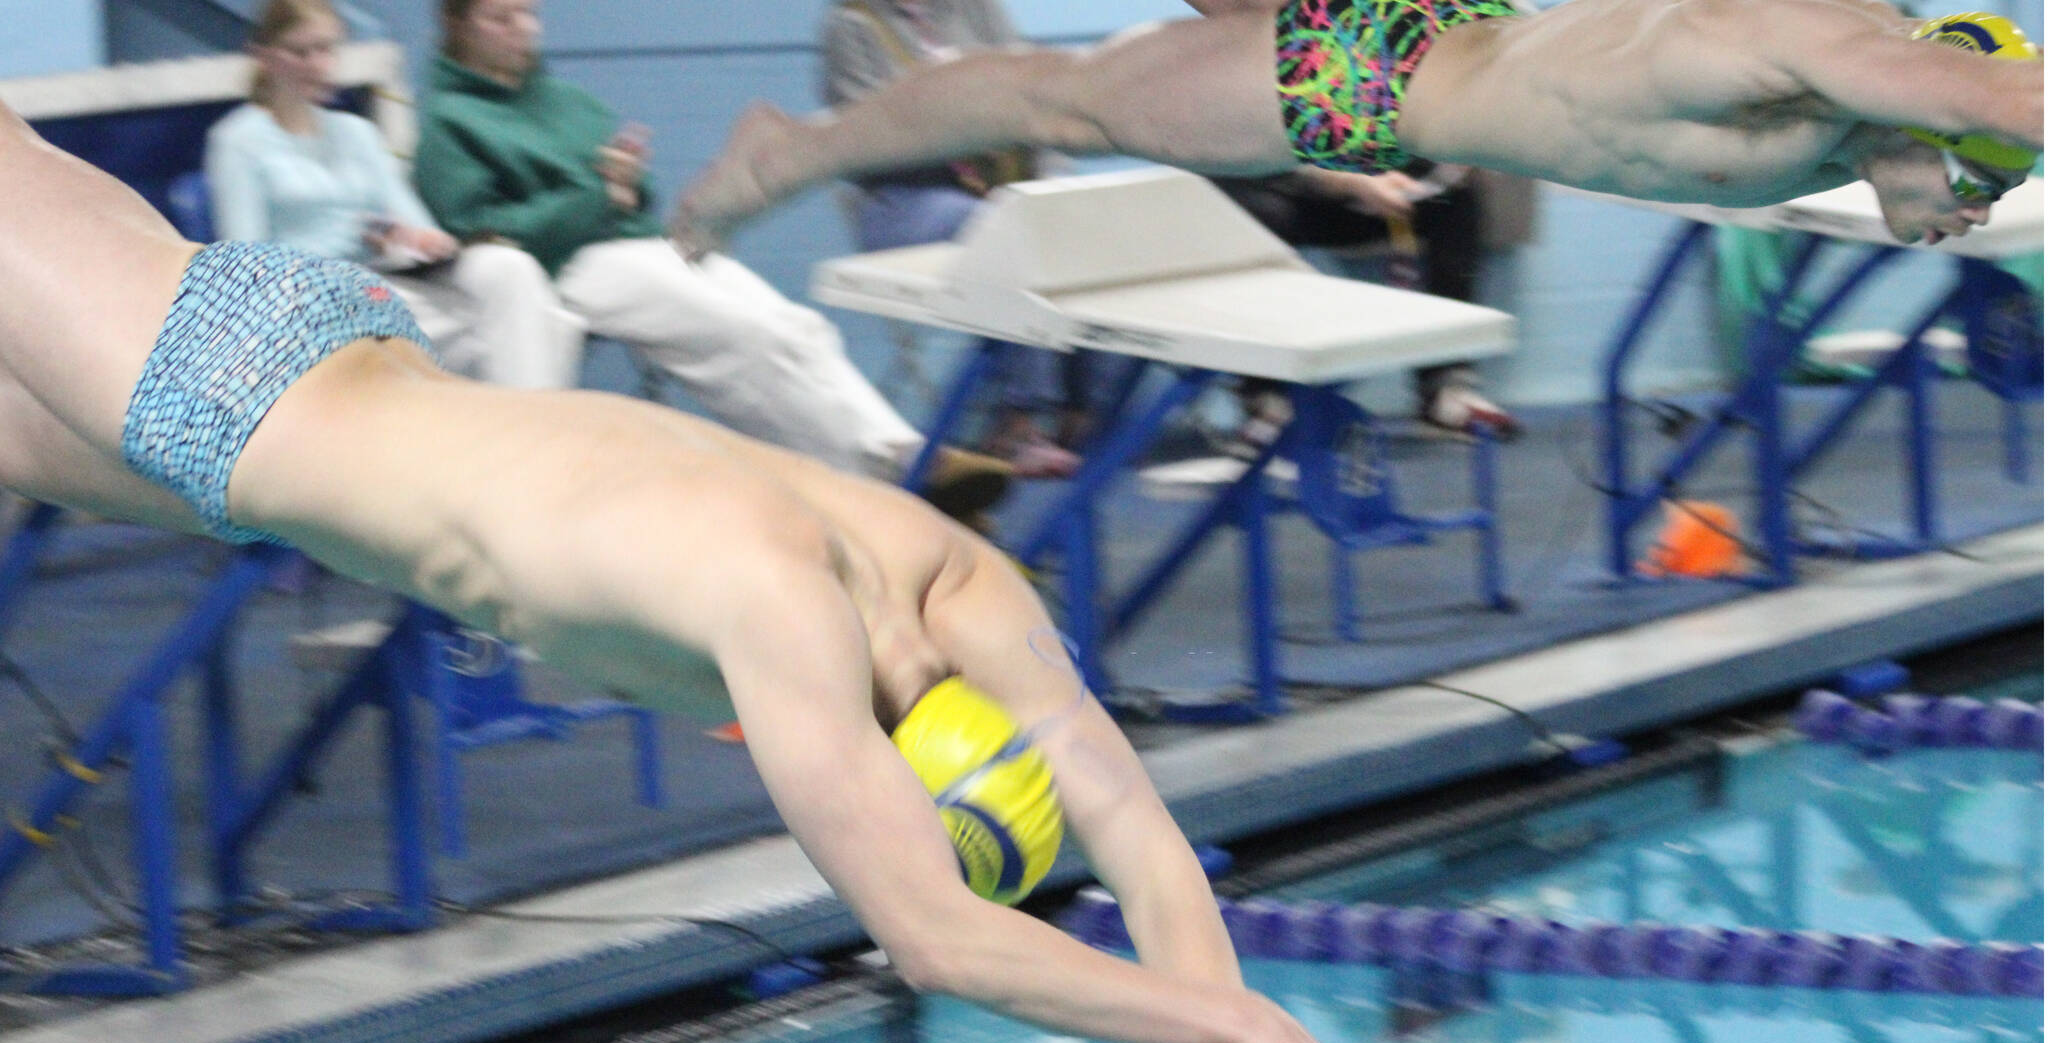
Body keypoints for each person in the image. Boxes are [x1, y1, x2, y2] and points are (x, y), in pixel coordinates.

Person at [0, 95, 1405, 1043]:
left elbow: (1131, 822)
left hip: (311, 372)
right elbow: (936, 938)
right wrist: (1230, 1026)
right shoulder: (780, 612)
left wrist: (1226, 1039)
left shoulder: (951, 576)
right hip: (227, 398)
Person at [674, 0, 2043, 254]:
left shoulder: (1847, 123)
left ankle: (782, 155)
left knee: (1070, 92)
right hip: (1385, 61)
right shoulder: (1804, 41)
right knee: (1057, 95)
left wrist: (1929, 188)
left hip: (1435, 44)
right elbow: (1994, 99)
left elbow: (1932, 166)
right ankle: (779, 154)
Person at [417, 0, 1011, 523]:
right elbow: (482, 234)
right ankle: (887, 480)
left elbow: (633, 191)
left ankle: (905, 456)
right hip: (564, 266)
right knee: (743, 336)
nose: (522, 29)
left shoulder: (564, 99)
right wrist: (598, 195)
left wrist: (626, 182)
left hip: (634, 242)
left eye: (529, 13)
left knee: (795, 327)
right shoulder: (449, 122)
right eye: (501, 17)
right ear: (457, 26)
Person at [208, 0, 585, 391]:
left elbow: (415, 221)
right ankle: (528, 431)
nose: (318, 65)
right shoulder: (238, 140)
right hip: (310, 302)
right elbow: (246, 263)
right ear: (264, 56)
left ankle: (524, 431)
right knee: (544, 328)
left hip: (385, 283)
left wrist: (415, 239)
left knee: (510, 268)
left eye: (327, 49)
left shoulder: (357, 132)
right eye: (302, 52)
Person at [822, 0, 1091, 477]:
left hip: (1003, 186)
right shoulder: (853, 23)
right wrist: (962, 133)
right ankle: (1020, 420)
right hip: (908, 198)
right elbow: (862, 140)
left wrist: (1052, 185)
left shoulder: (979, 9)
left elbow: (1036, 94)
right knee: (1001, 229)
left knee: (1075, 224)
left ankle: (1085, 411)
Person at [1211, 164, 1519, 438]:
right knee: (1247, 210)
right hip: (1291, 193)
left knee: (1458, 200)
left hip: (1378, 192)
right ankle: (1266, 396)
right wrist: (1353, 183)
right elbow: (1272, 155)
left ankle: (1445, 388)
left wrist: (1452, 166)